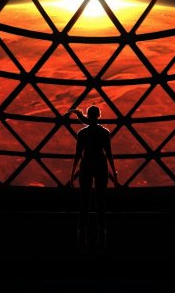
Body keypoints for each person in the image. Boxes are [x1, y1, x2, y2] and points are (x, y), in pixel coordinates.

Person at [67, 105, 118, 252]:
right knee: (101, 200)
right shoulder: (105, 133)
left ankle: (81, 230)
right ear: (99, 115)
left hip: (86, 167)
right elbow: (109, 154)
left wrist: (72, 174)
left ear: (88, 115)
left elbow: (78, 154)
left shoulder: (82, 133)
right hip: (101, 166)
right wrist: (114, 174)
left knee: (85, 201)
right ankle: (102, 230)